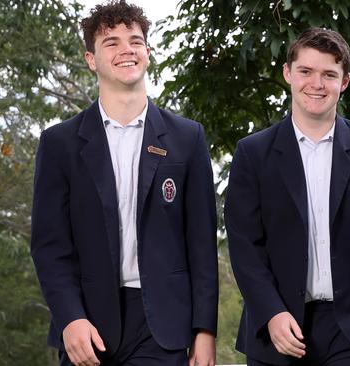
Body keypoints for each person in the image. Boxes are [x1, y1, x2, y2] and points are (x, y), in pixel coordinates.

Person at [30, 1, 218, 365]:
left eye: (135, 40)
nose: (126, 49)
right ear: (91, 59)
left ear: (147, 52)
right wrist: (70, 318)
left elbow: (201, 244)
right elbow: (51, 248)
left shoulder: (187, 138)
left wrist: (204, 329)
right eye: (111, 42)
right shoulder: (59, 144)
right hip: (88, 326)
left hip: (163, 326)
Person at [224, 27, 350, 366]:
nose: (317, 83)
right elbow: (244, 247)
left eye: (329, 74)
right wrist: (271, 313)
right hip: (279, 328)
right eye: (306, 71)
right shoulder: (253, 153)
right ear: (288, 74)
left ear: (344, 82)